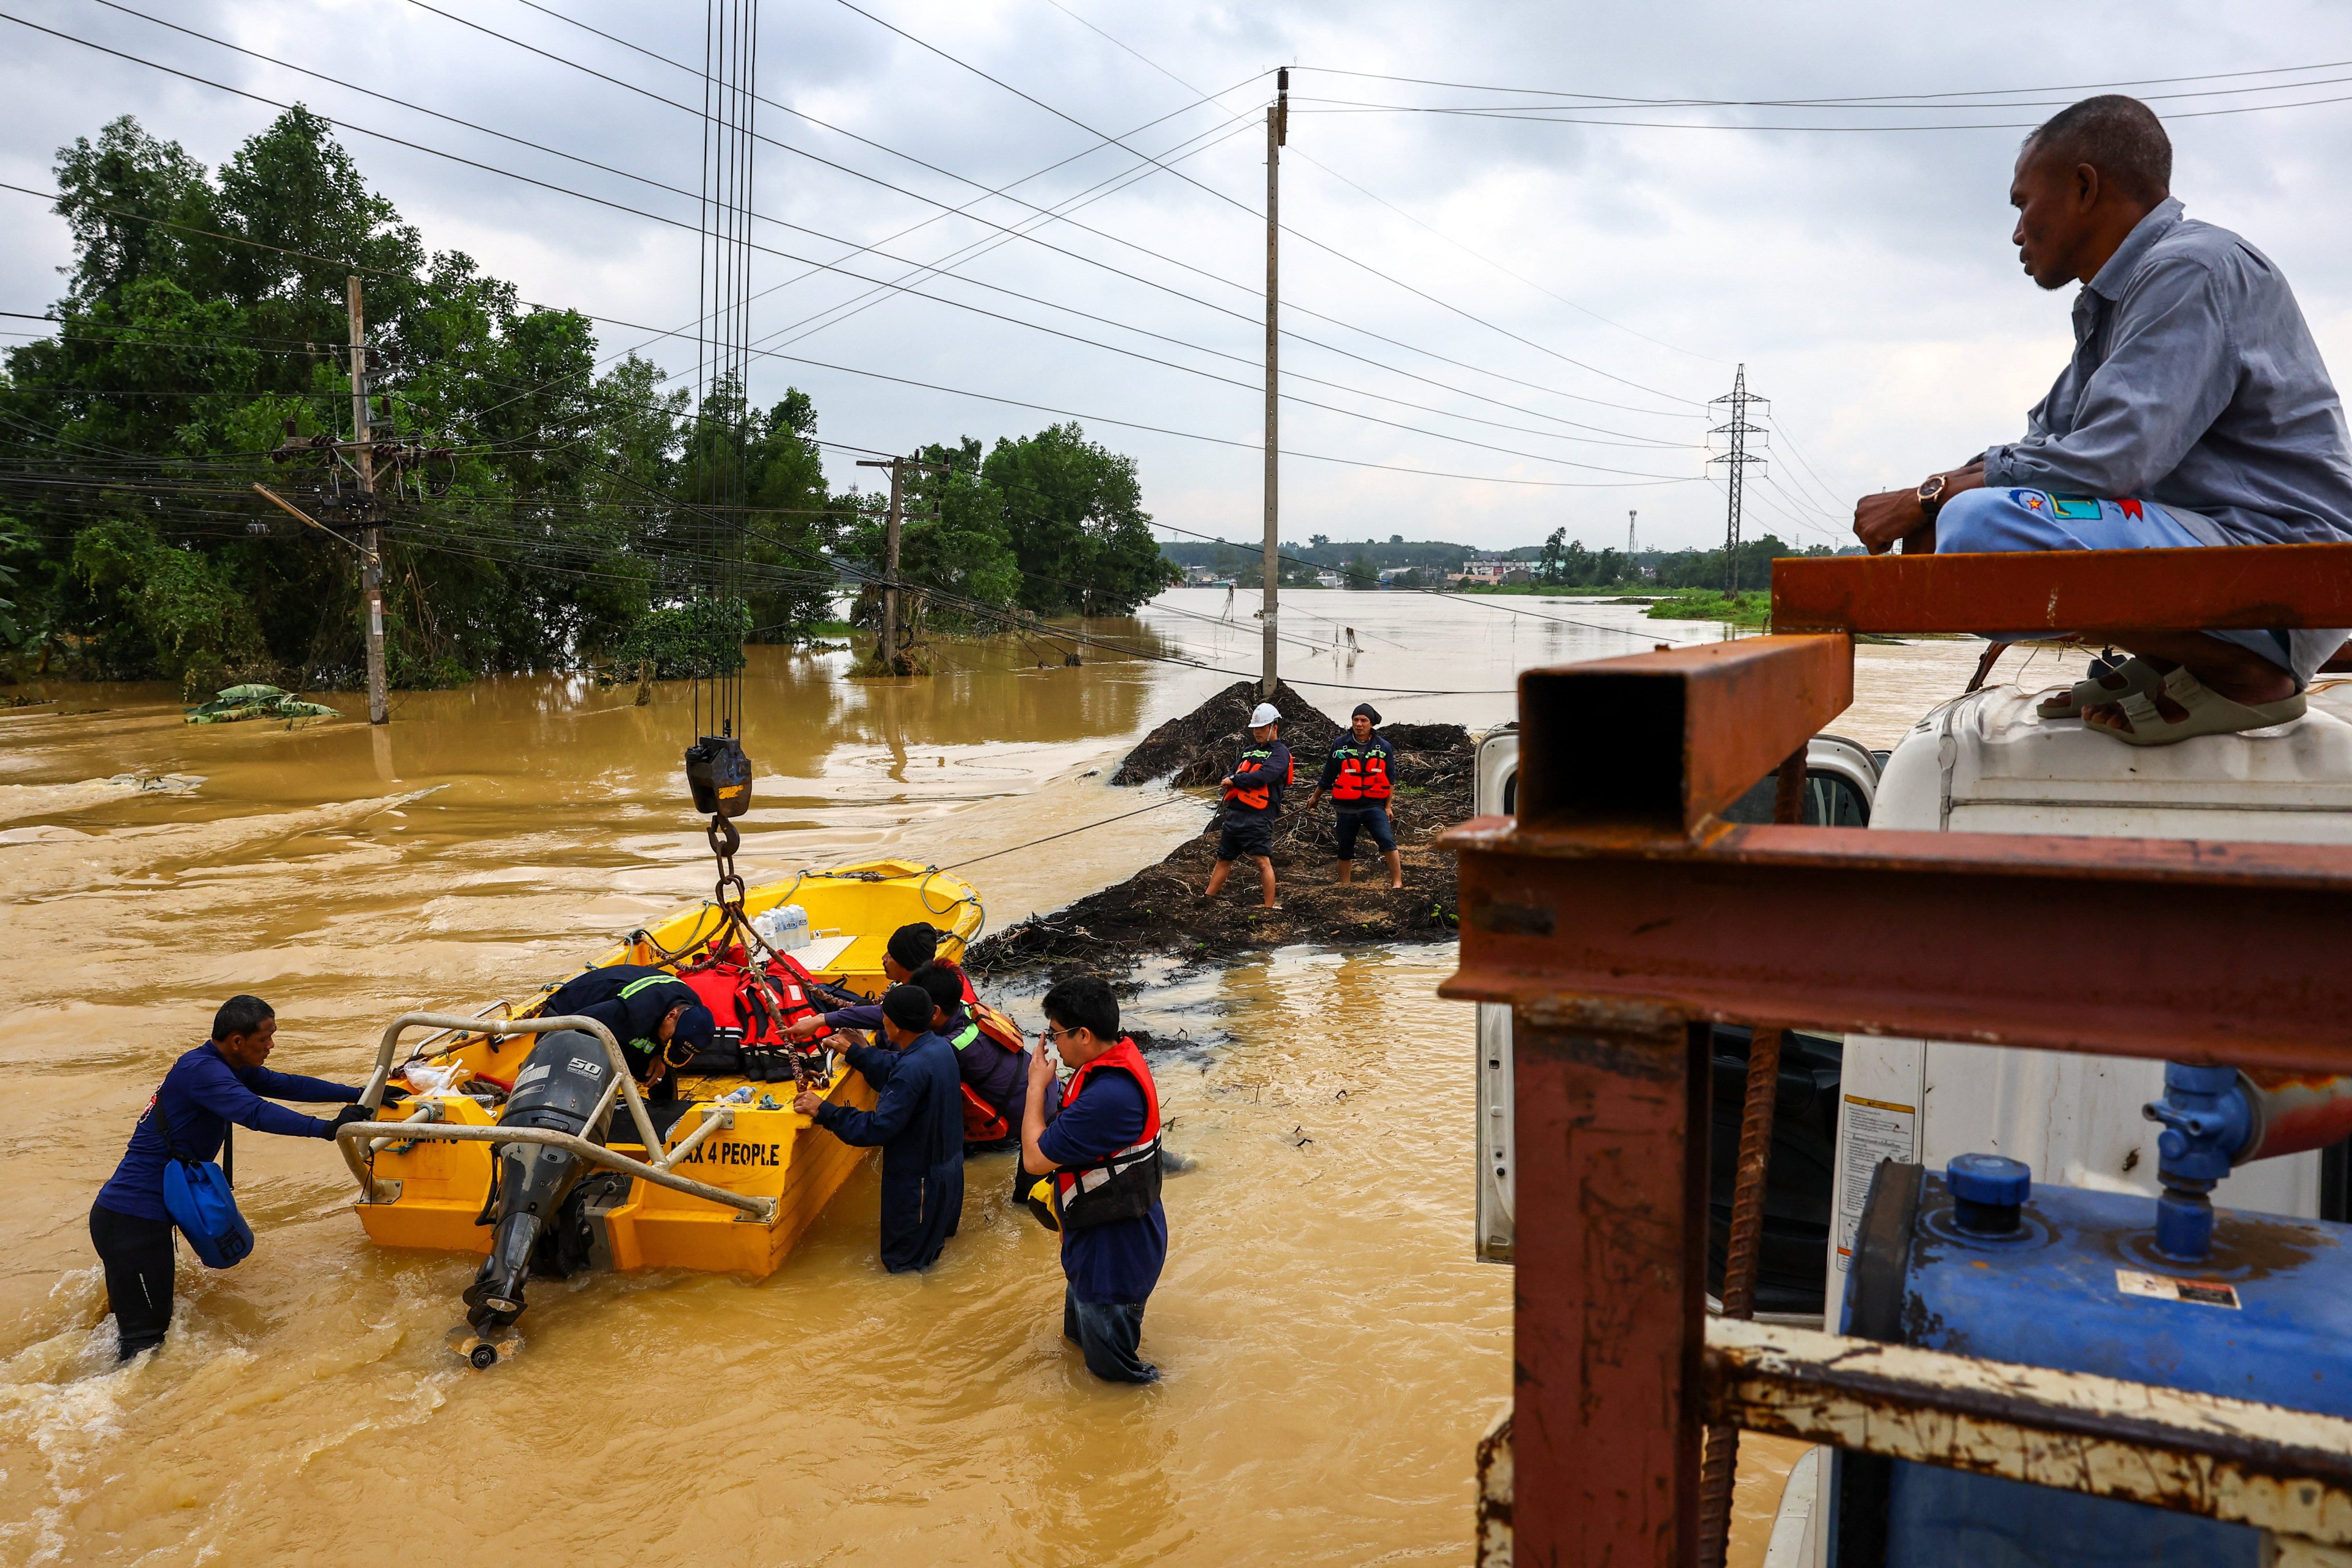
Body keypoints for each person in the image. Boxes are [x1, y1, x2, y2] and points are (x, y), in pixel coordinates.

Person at [1851, 93, 2352, 746]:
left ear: (2084, 187)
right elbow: (2045, 445)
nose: (2017, 232)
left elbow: (2114, 461)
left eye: (2023, 204)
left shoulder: (2190, 269)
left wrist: (1936, 494)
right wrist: (1933, 504)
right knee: (1967, 518)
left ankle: (2245, 678)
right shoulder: (2118, 303)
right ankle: (2176, 665)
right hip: (2229, 555)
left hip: (2286, 564)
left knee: (1979, 525)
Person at [90, 995, 381, 1360]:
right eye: (266, 1038)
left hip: (131, 1219)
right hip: (132, 1221)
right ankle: (110, 1406)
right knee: (145, 1343)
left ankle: (96, 1358)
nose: (272, 1046)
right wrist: (327, 1129)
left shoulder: (223, 1063)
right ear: (238, 1041)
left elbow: (287, 1085)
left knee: (128, 1318)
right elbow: (255, 1113)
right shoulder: (204, 1073)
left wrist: (362, 1094)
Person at [1021, 974, 1167, 1385]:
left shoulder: (1108, 1097)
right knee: (1077, 1341)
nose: (1053, 1045)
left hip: (1114, 1255)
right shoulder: (1110, 1066)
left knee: (1115, 1380)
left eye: (1056, 1035)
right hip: (1101, 1236)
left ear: (1083, 1035)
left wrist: (1035, 1089)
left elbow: (1034, 1160)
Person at [795, 983, 964, 1272]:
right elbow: (900, 1068)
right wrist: (858, 1054)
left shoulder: (912, 1069)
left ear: (894, 1026)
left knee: (905, 1268)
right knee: (933, 1255)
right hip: (947, 1175)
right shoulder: (939, 1048)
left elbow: (877, 1129)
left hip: (917, 1186)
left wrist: (824, 1110)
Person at [538, 963, 716, 1091]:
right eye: (670, 1041)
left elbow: (671, 1044)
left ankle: (664, 1122)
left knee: (659, 1074)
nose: (669, 1044)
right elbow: (579, 1024)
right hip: (563, 1017)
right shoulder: (635, 1009)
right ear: (671, 1015)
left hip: (633, 1021)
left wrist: (660, 1056)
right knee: (585, 1073)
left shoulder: (692, 1009)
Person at [1202, 701, 1291, 909]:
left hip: (1259, 816)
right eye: (1255, 729)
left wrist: (1236, 781)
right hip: (1236, 814)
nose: (1258, 732)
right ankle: (1207, 898)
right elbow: (1233, 771)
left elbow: (1265, 775)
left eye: (1262, 728)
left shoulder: (1280, 753)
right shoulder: (1249, 751)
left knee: (1262, 861)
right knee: (1223, 858)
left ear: (1274, 728)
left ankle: (1268, 907)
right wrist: (1229, 778)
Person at [1308, 702, 1404, 889]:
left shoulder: (1384, 747)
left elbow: (1390, 778)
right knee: (1345, 847)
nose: (1359, 724)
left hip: (1373, 804)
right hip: (1346, 806)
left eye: (1363, 720)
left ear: (1371, 724)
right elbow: (1328, 775)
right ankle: (1345, 884)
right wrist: (1315, 797)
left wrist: (1388, 806)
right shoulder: (1340, 744)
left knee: (1386, 841)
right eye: (1356, 719)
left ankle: (1397, 882)